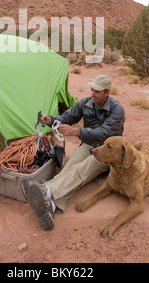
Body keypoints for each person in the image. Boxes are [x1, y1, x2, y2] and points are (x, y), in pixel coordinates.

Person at [21, 74, 125, 231]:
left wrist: (76, 132)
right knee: (70, 168)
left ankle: (46, 190)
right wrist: (50, 119)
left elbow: (104, 133)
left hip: (106, 152)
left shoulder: (117, 110)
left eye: (97, 91)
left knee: (81, 169)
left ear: (107, 93)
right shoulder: (86, 103)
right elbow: (66, 118)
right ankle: (52, 207)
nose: (93, 94)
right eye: (92, 90)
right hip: (88, 145)